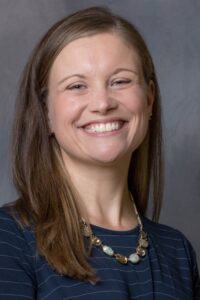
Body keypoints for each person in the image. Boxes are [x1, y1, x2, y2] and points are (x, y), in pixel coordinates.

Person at [0, 6, 199, 299]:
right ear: (46, 112)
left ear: (150, 98)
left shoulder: (178, 252)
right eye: (76, 86)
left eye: (120, 81)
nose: (102, 103)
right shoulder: (9, 239)